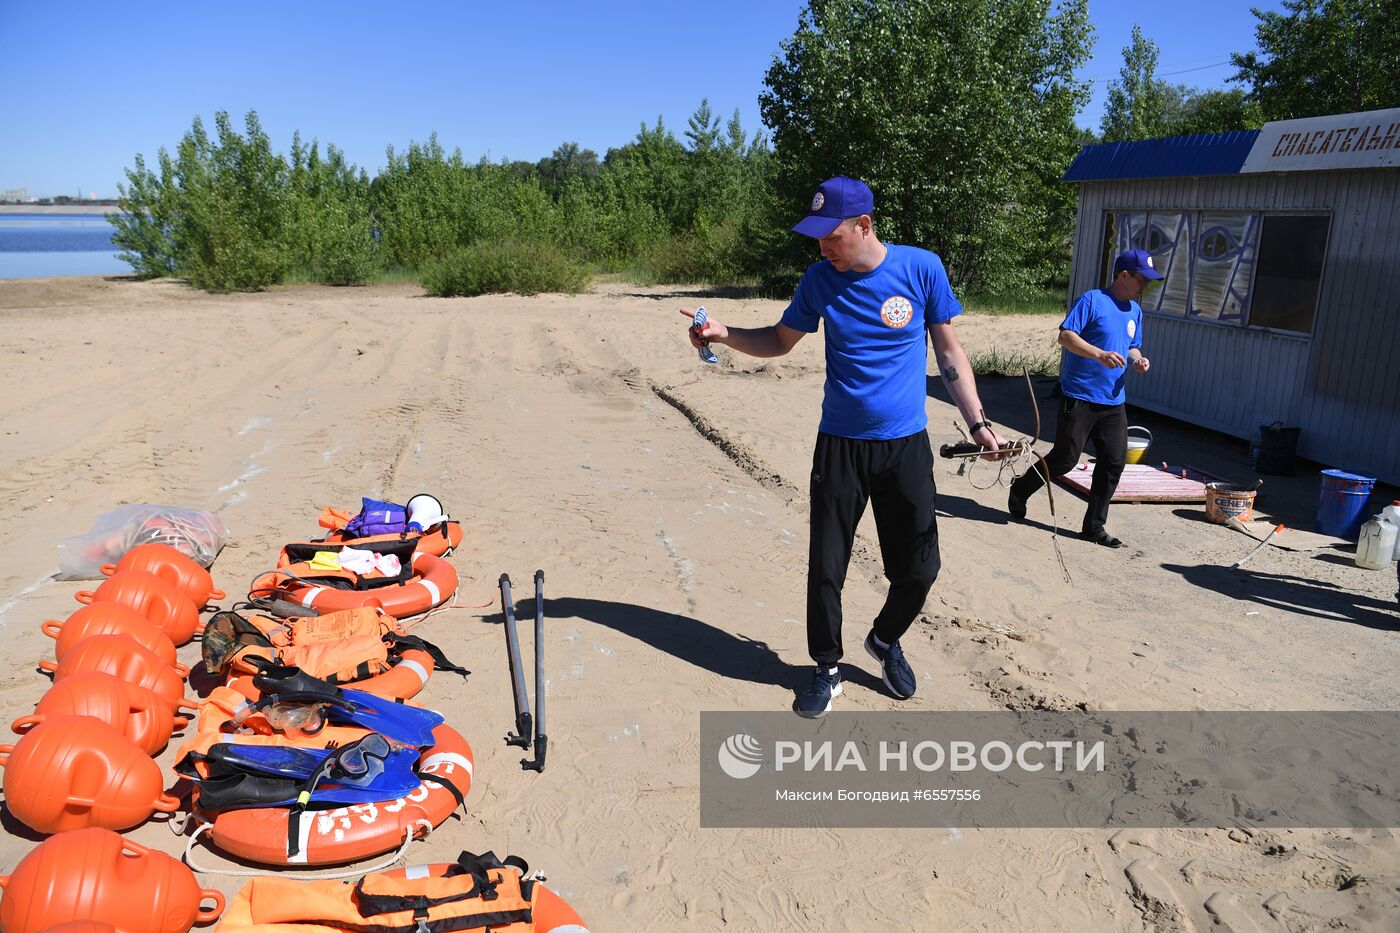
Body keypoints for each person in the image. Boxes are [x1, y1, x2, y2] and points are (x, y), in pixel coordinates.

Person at [681, 175, 1006, 718]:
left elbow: (949, 354)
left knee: (920, 569)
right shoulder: (818, 280)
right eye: (817, 239)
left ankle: (883, 639)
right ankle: (827, 666)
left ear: (864, 225)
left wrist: (978, 423)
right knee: (827, 565)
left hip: (905, 447)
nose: (823, 248)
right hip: (840, 447)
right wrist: (724, 333)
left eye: (831, 237)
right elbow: (779, 342)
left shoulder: (922, 268)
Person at [1007, 249, 1158, 548]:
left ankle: (1093, 526)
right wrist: (1099, 354)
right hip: (1080, 396)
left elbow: (1132, 347)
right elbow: (1066, 336)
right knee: (1064, 460)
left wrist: (1138, 360)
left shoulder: (1135, 312)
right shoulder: (1092, 300)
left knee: (1114, 462)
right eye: (1142, 279)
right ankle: (1021, 487)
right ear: (1124, 274)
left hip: (1114, 401)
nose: (1145, 286)